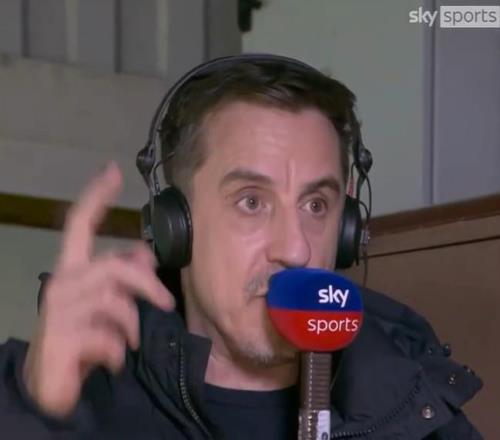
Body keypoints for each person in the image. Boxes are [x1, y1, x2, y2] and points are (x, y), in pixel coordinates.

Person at [0, 54, 482, 439]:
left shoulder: (415, 407)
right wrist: (30, 413)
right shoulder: (78, 396)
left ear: (348, 229)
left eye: (316, 205)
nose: (295, 250)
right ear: (175, 226)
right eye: (251, 202)